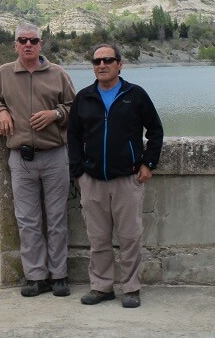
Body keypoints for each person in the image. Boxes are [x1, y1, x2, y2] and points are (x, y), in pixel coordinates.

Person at [67, 43, 163, 309]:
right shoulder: (84, 97)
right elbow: (73, 135)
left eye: (108, 60)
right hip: (93, 180)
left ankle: (131, 288)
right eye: (97, 61)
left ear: (120, 65)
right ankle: (101, 287)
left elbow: (155, 130)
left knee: (130, 237)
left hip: (127, 179)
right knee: (98, 238)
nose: (102, 65)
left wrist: (148, 163)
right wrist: (78, 171)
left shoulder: (135, 95)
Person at [0, 22, 77, 298]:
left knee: (57, 218)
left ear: (41, 44)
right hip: (21, 158)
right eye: (23, 40)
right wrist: (1, 111)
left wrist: (55, 114)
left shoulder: (58, 74)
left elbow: (75, 107)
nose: (28, 45)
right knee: (27, 220)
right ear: (15, 45)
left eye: (33, 40)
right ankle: (36, 277)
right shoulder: (3, 74)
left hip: (55, 156)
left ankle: (59, 275)